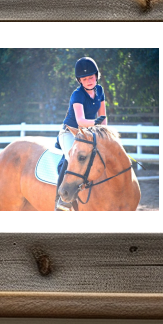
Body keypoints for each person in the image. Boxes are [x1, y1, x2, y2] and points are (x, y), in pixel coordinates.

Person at [55, 57, 107, 211]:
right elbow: (81, 121)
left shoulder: (100, 90)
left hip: (89, 131)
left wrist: (104, 134)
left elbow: (103, 117)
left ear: (96, 76)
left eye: (91, 77)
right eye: (85, 79)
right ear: (80, 81)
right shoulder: (77, 95)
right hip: (70, 132)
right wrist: (97, 123)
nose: (89, 81)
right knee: (72, 158)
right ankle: (62, 200)